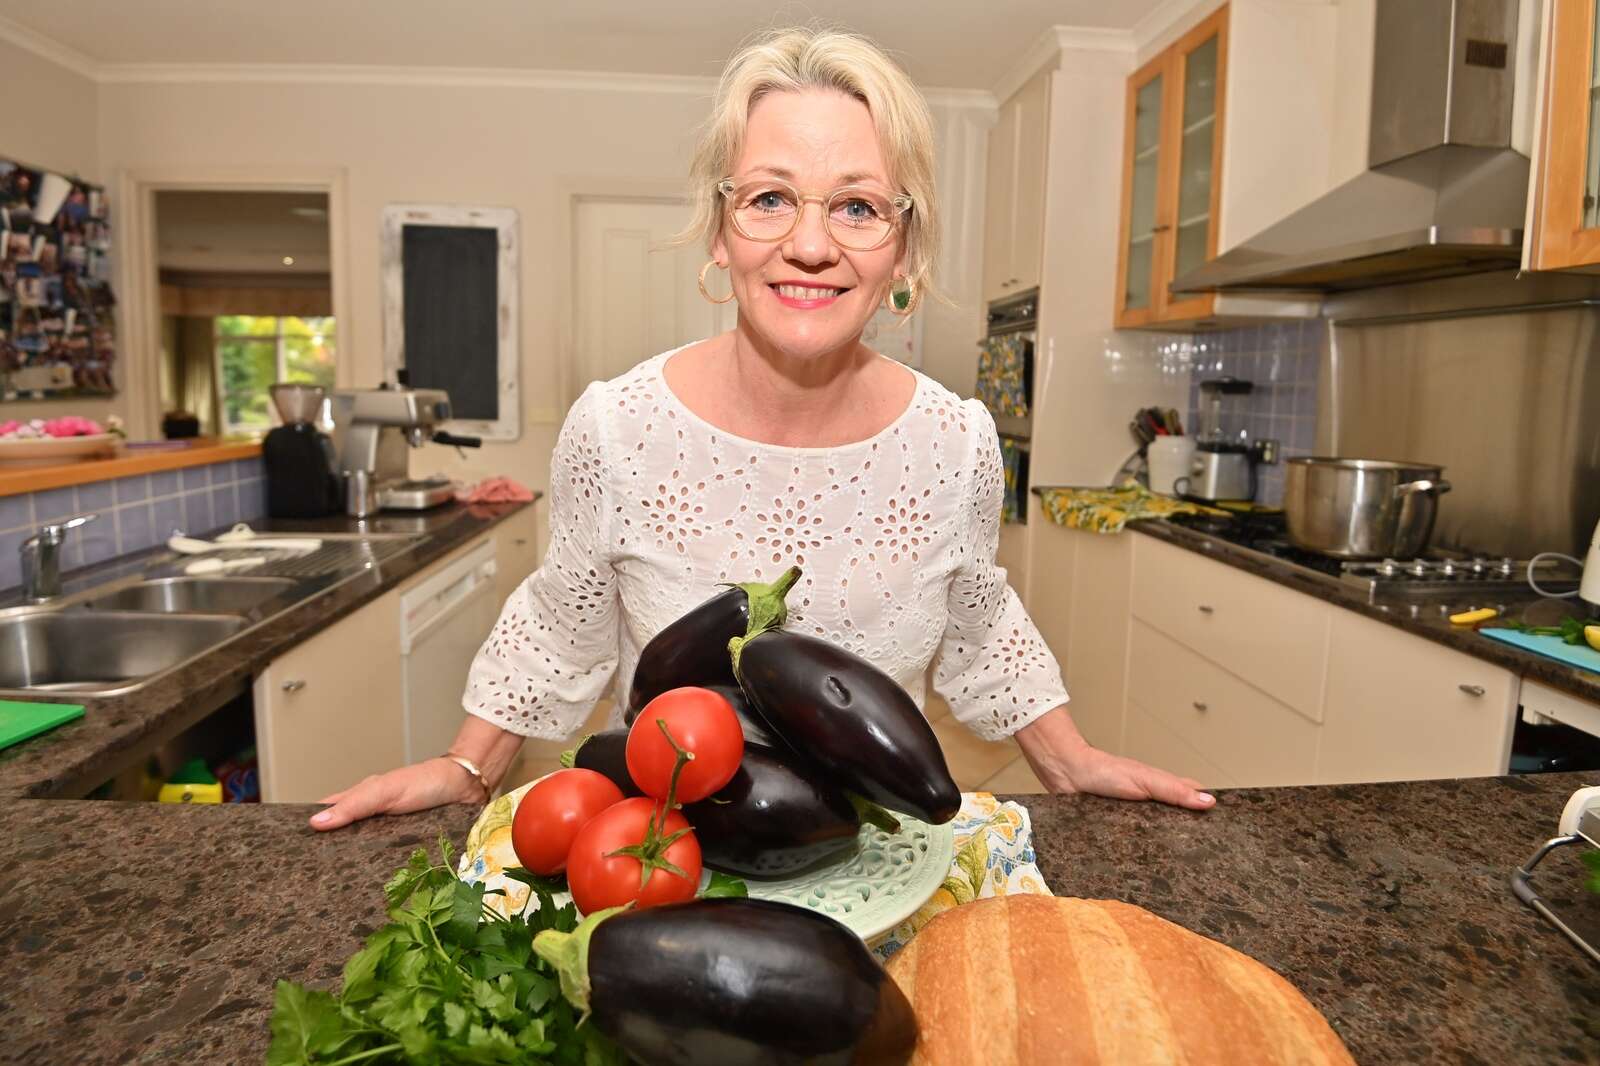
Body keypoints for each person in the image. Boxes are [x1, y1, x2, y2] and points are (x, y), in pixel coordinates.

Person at [312, 27, 1215, 831]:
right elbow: (563, 620)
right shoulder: (616, 428)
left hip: (876, 850)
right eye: (771, 198)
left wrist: (1070, 759)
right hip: (657, 862)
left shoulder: (959, 443)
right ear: (720, 230)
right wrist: (466, 769)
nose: (812, 246)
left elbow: (979, 619)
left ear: (903, 248)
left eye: (858, 206)